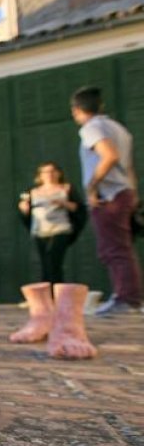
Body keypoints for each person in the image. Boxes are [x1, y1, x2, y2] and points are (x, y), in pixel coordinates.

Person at [71, 86, 140, 317]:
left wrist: (92, 186)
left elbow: (110, 155)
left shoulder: (91, 128)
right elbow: (128, 166)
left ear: (77, 109)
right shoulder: (119, 129)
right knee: (122, 247)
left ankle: (127, 300)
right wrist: (133, 193)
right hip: (123, 192)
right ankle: (131, 298)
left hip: (108, 196)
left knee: (113, 249)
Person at [17, 161, 84, 284]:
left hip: (60, 229)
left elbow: (78, 208)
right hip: (39, 230)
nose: (49, 174)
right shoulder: (31, 191)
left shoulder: (66, 188)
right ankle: (46, 295)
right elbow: (24, 208)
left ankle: (57, 294)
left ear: (59, 173)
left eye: (52, 171)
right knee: (45, 263)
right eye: (45, 172)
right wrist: (24, 209)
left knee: (54, 261)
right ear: (40, 175)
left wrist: (63, 203)